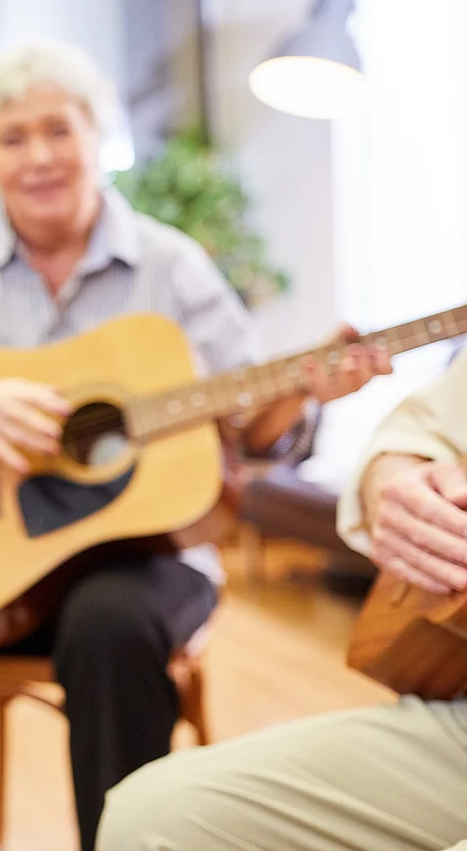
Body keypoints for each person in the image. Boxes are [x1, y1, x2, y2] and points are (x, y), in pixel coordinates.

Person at [0, 40, 387, 851]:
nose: (39, 156)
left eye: (59, 130)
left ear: (97, 136)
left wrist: (296, 394)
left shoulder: (171, 266)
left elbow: (252, 433)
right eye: (13, 137)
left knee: (109, 627)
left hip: (144, 561)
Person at [97, 349, 467, 851]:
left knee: (114, 622)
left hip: (159, 553)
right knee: (148, 817)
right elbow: (417, 432)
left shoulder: (185, 299)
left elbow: (249, 432)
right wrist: (394, 483)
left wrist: (285, 404)